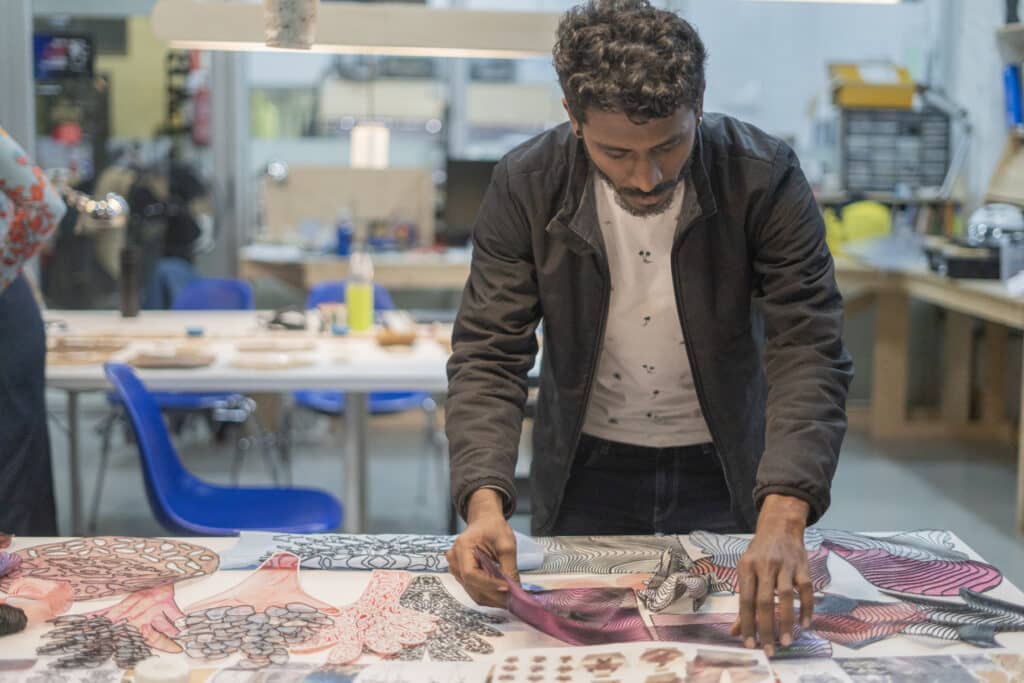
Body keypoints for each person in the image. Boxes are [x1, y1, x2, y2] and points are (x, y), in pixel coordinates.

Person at [444, 0, 853, 656]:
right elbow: (490, 353)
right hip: (585, 470)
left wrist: (785, 509)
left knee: (730, 658)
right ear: (572, 117)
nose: (647, 176)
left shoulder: (762, 176)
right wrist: (483, 502)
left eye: (669, 145)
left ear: (700, 105)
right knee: (584, 657)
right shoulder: (527, 184)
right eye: (616, 152)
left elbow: (809, 346)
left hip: (730, 470)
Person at [0, 126, 67, 535]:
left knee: (12, 469)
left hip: (5, 314)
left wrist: (2, 269)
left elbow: (46, 205)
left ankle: (23, 575)